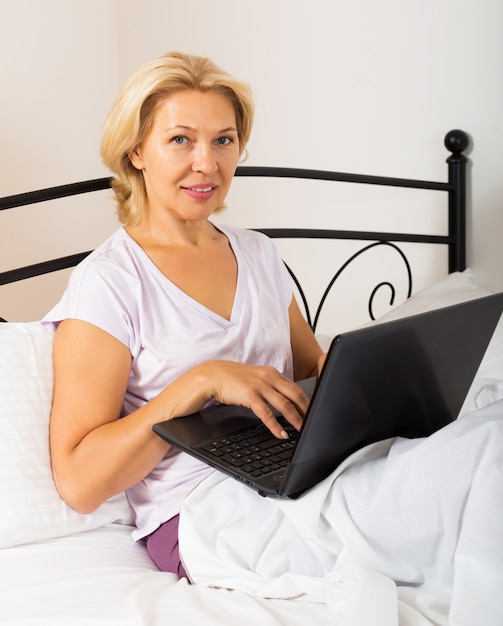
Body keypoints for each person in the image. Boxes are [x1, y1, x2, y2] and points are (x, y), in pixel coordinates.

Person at [43, 51, 324, 577]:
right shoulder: (108, 282)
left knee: (487, 454)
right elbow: (79, 482)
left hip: (294, 471)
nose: (208, 163)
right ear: (135, 153)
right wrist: (200, 382)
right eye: (180, 140)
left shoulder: (259, 252)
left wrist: (386, 382)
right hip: (200, 511)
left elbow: (313, 370)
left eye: (223, 139)